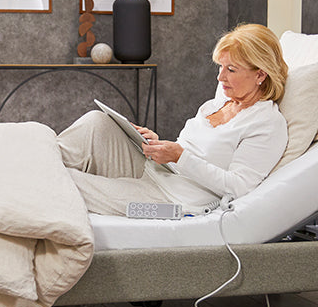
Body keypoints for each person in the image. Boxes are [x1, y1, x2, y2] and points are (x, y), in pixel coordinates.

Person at [57, 23, 288, 216]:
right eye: (220, 67)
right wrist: (158, 144)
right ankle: (33, 158)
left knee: (68, 183)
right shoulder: (217, 104)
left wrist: (179, 156)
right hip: (156, 171)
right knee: (97, 123)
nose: (220, 77)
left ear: (260, 74)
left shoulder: (267, 124)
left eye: (231, 69)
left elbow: (239, 187)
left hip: (173, 202)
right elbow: (187, 151)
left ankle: (29, 172)